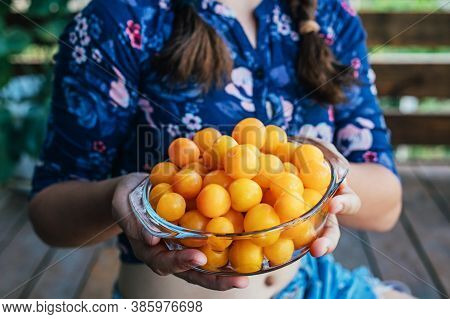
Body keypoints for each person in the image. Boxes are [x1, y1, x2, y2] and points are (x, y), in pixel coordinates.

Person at [29, 0, 405, 298]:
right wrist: (117, 196)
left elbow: (387, 206)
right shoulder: (117, 19)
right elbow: (48, 212)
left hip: (316, 290)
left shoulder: (330, 15)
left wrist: (328, 178)